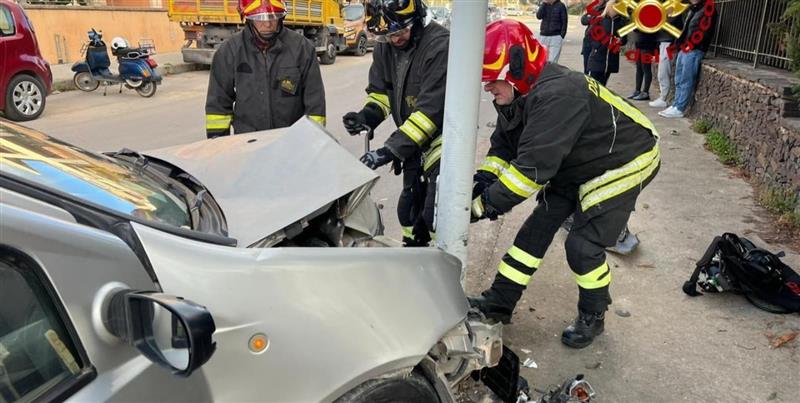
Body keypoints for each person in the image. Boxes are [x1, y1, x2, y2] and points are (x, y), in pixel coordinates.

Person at [470, 19, 660, 349]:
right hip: (575, 161)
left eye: (492, 80)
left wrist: (482, 206)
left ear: (516, 69)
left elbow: (530, 171)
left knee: (583, 246)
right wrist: (483, 180)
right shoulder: (519, 92)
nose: (488, 88)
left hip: (625, 160)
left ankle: (593, 315)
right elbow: (504, 144)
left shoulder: (559, 95)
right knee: (536, 229)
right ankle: (499, 303)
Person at [342, 0, 448, 246]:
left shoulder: (439, 46)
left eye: (400, 32)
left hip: (443, 141)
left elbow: (430, 112)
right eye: (388, 35)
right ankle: (414, 254)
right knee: (408, 212)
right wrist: (367, 116)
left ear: (418, 20)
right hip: (412, 143)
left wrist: (388, 151)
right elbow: (382, 94)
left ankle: (443, 261)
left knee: (436, 214)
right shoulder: (386, 46)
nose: (395, 40)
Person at [204, 0, 326, 138]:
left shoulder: (302, 48)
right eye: (260, 18)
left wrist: (315, 141)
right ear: (247, 18)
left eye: (273, 17)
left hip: (292, 140)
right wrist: (218, 145)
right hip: (248, 142)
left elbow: (315, 103)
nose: (267, 24)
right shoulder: (230, 51)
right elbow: (218, 105)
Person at [659, 0, 716, 118]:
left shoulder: (707, 10)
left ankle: (680, 108)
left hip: (694, 49)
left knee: (686, 79)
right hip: (685, 48)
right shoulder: (694, 9)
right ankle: (676, 105)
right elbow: (687, 30)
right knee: (678, 78)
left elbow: (704, 32)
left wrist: (691, 45)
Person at [648, 8, 685, 108]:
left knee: (664, 71)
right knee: (661, 72)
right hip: (663, 43)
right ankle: (662, 97)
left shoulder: (676, 14)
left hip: (669, 43)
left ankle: (663, 98)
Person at [586, 0, 626, 86]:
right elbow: (589, 34)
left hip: (611, 58)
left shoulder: (620, 22)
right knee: (593, 84)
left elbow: (624, 39)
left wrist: (620, 40)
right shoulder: (600, 20)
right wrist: (597, 46)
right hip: (597, 57)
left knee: (603, 85)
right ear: (609, 8)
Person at [629, 31, 657, 101]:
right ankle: (637, 90)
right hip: (639, 45)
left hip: (648, 46)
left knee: (646, 68)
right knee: (639, 68)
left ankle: (645, 92)